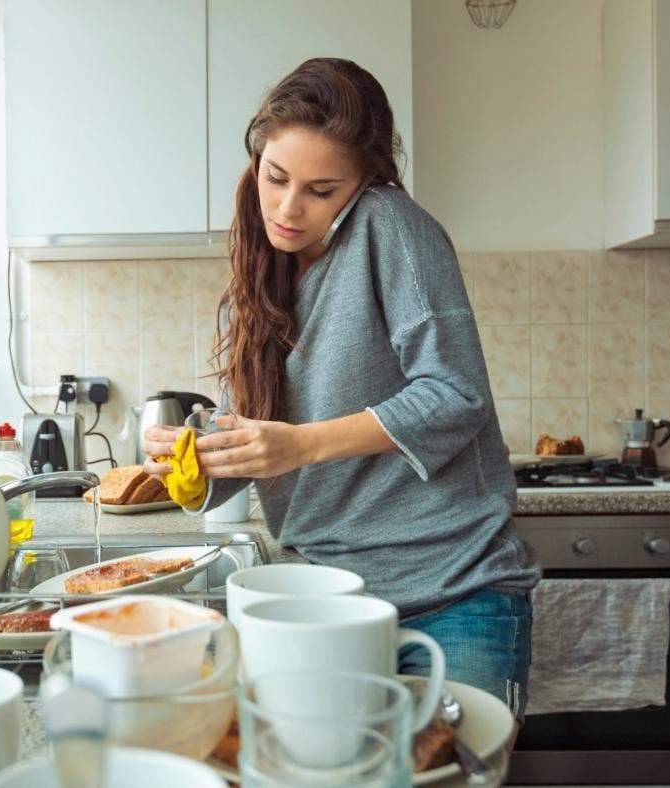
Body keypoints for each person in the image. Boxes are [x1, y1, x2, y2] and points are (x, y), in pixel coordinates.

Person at [143, 58, 541, 723]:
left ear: (364, 183)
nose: (289, 208)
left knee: (456, 768)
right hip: (330, 603)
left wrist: (300, 446)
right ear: (257, 159)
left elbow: (455, 392)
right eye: (276, 178)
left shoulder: (390, 226)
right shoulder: (254, 283)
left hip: (455, 595)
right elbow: (274, 440)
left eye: (321, 190)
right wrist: (194, 461)